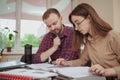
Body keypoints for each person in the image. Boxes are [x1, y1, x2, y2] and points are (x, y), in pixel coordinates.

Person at [55, 3, 120, 80]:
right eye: (74, 25)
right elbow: (82, 60)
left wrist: (108, 71)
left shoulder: (113, 36)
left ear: (89, 18)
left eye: (78, 23)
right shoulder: (89, 40)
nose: (76, 28)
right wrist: (65, 63)